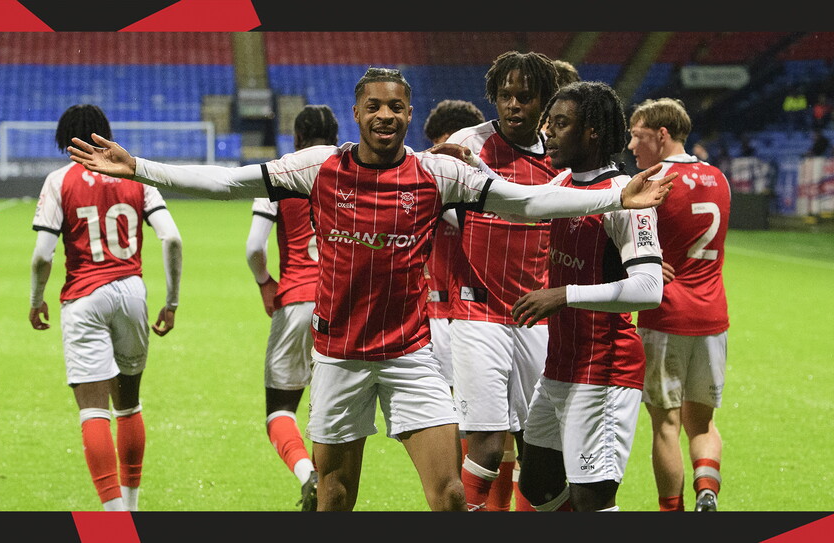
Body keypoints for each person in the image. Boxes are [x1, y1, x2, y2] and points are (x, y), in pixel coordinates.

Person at [66, 67, 674, 512]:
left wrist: (614, 196)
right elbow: (228, 181)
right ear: (357, 113)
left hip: (410, 357)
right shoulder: (319, 167)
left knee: (451, 494)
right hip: (339, 357)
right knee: (335, 496)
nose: (386, 115)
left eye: (397, 107)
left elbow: (526, 201)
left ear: (409, 114)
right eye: (375, 106)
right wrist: (139, 167)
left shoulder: (437, 172)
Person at [509, 81, 664, 513]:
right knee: (538, 485)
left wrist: (565, 295)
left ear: (592, 131)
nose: (548, 132)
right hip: (561, 365)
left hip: (605, 368)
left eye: (561, 124)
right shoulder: (563, 182)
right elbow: (517, 204)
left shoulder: (630, 198)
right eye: (549, 123)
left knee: (592, 500)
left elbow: (650, 289)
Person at [29, 104, 183, 511]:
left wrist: (36, 299)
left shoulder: (59, 180)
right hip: (132, 293)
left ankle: (115, 522)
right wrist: (171, 302)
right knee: (129, 405)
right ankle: (131, 508)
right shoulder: (135, 175)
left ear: (65, 140)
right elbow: (171, 238)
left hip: (84, 297)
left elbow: (43, 255)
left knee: (93, 411)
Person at [444, 50, 561, 512]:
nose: (513, 105)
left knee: (540, 451)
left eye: (525, 97)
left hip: (536, 316)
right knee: (488, 446)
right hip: (478, 311)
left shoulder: (559, 156)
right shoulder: (469, 145)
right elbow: (432, 201)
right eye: (505, 95)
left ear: (544, 102)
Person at [627, 97, 731, 512]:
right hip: (713, 316)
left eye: (637, 136)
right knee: (702, 423)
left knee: (666, 424)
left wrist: (649, 262)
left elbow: (630, 247)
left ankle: (673, 514)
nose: (631, 146)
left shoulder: (653, 182)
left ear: (661, 134)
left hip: (665, 316)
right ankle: (707, 490)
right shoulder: (719, 178)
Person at [245, 104, 339, 511]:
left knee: (280, 409)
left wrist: (266, 283)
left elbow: (254, 247)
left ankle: (307, 475)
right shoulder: (349, 172)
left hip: (297, 299)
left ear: (297, 138)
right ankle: (328, 493)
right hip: (340, 305)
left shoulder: (281, 173)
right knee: (328, 412)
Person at [421, 99, 487, 392]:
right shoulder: (426, 180)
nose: (437, 151)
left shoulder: (485, 188)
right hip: (435, 312)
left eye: (443, 143)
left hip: (476, 314)